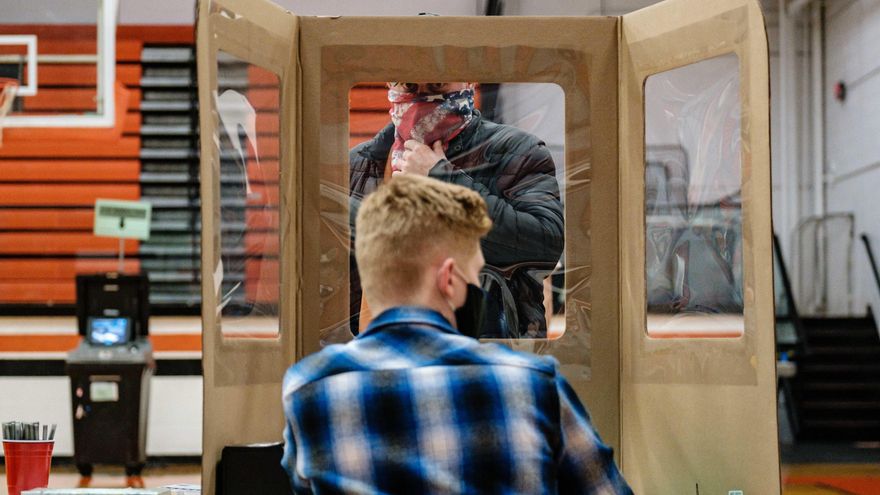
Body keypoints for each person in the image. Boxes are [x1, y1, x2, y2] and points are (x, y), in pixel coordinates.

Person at [282, 175, 631, 494]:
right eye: (477, 275)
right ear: (448, 279)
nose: (479, 288)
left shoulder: (308, 388)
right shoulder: (533, 386)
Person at [349, 82, 564, 338]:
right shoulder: (359, 163)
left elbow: (545, 246)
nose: (422, 95)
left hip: (488, 353)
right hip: (379, 352)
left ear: (468, 79)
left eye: (436, 84)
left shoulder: (517, 150)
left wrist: (442, 178)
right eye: (409, 84)